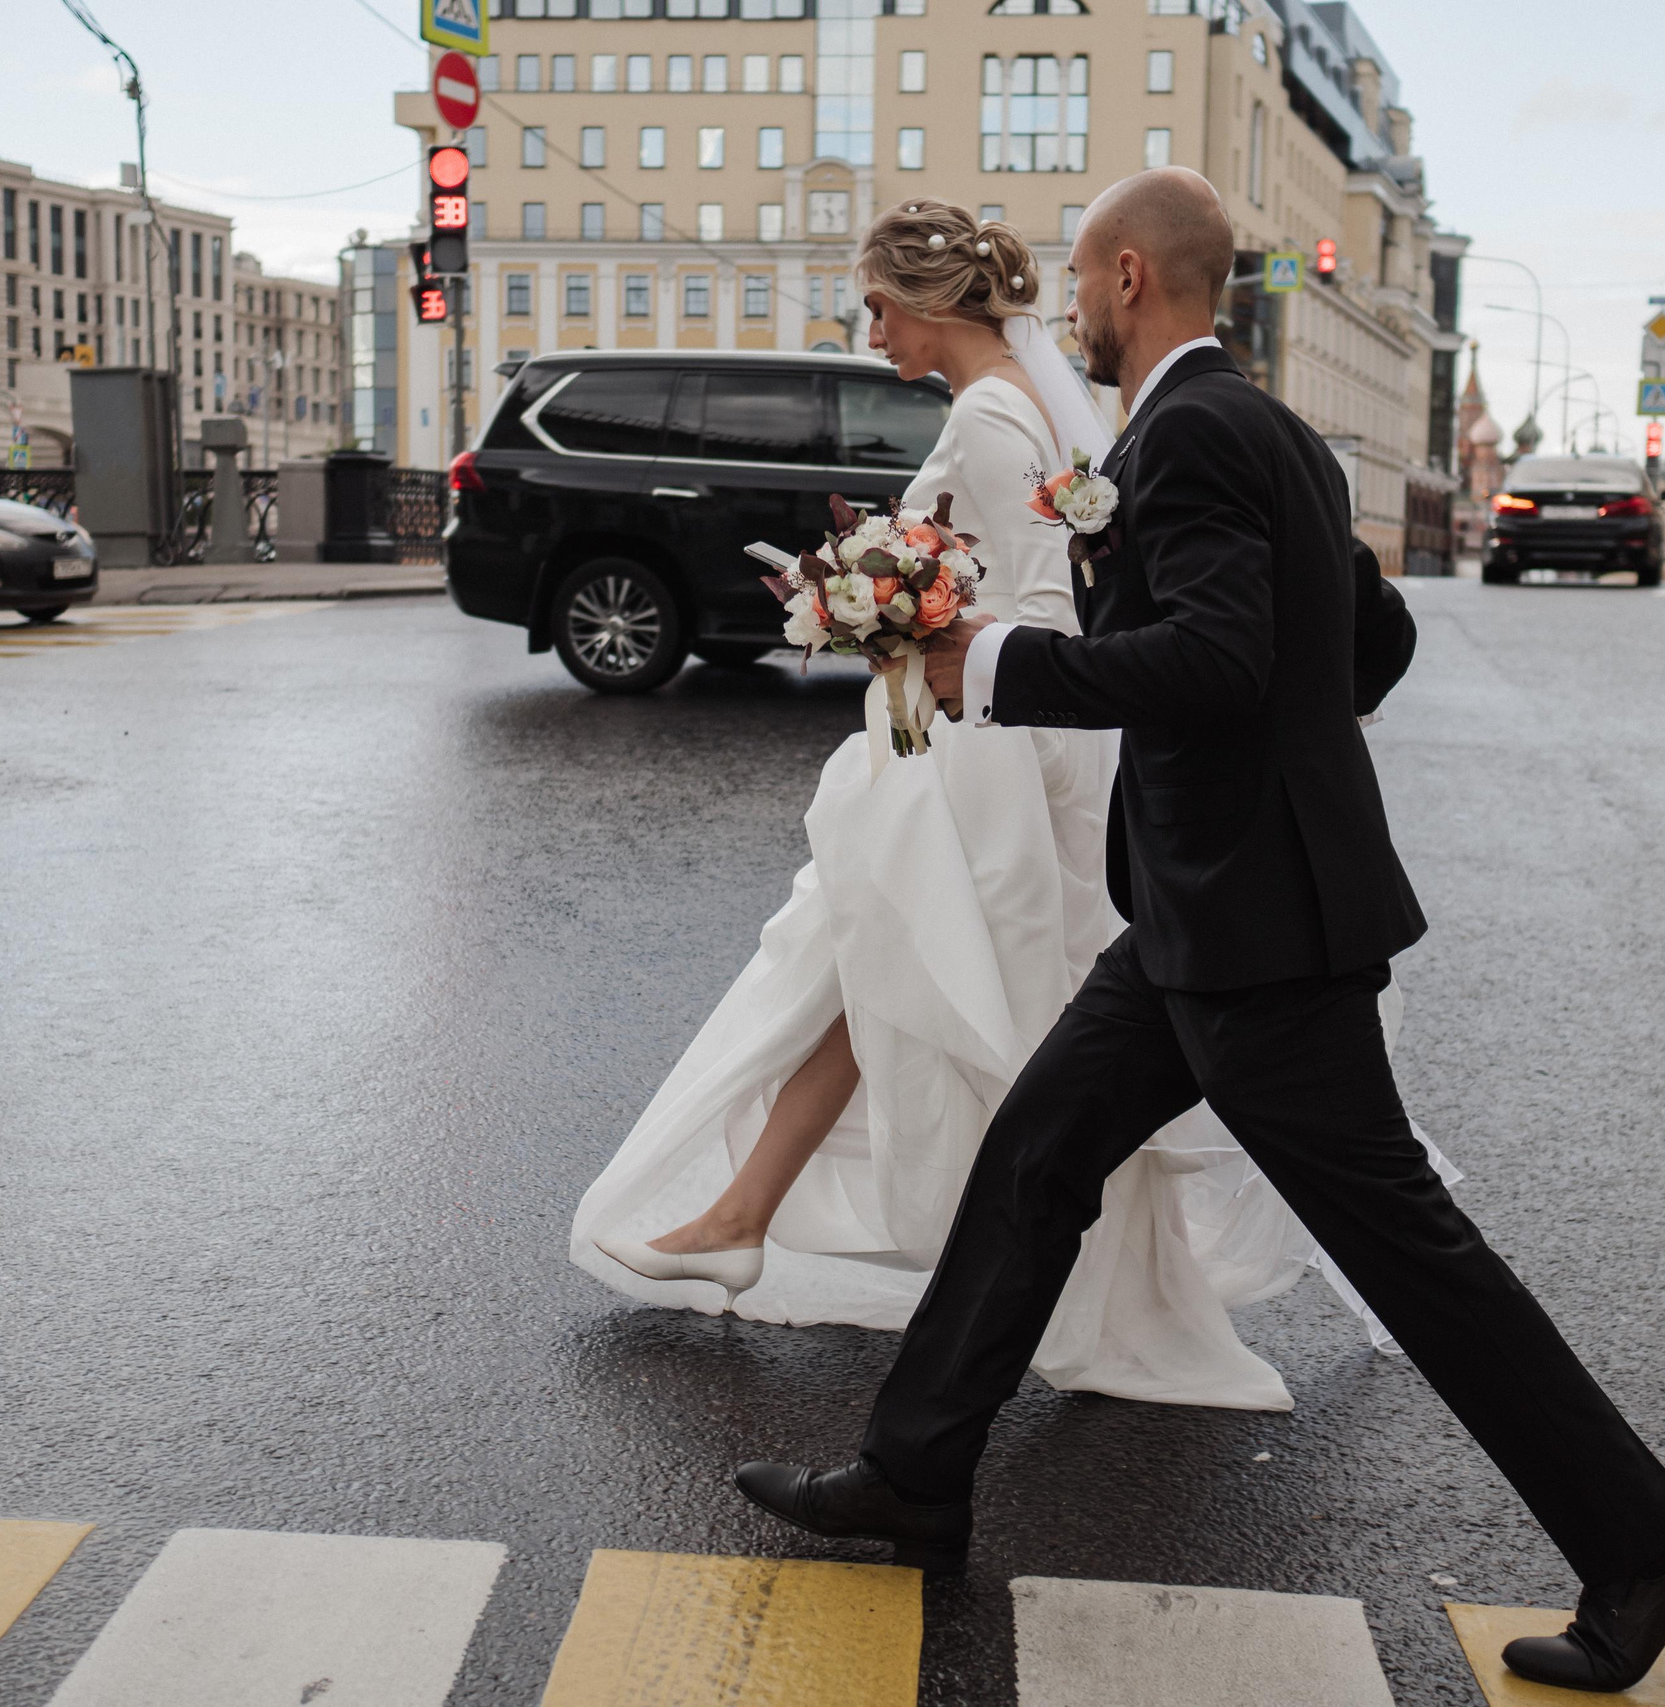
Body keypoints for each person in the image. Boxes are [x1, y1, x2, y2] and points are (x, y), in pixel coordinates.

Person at [731, 169, 1665, 1698]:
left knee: (1410, 1247)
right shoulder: (1267, 430)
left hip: (1254, 930)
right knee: (1040, 1150)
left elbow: (1210, 653)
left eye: (1081, 277)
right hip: (1209, 905)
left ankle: (1647, 1546)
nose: (1067, 304)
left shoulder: (1194, 433)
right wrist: (1284, 738)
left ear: (1132, 276)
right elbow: (1367, 636)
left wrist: (982, 657)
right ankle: (915, 1473)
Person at [572, 199, 1443, 1413]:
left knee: (935, 997)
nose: (869, 329)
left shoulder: (1006, 415)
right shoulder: (1088, 416)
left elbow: (1057, 608)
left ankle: (847, 1261)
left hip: (984, 752)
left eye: (876, 305)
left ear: (932, 300)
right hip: (1000, 738)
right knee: (892, 988)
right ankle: (777, 1252)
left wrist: (907, 628)